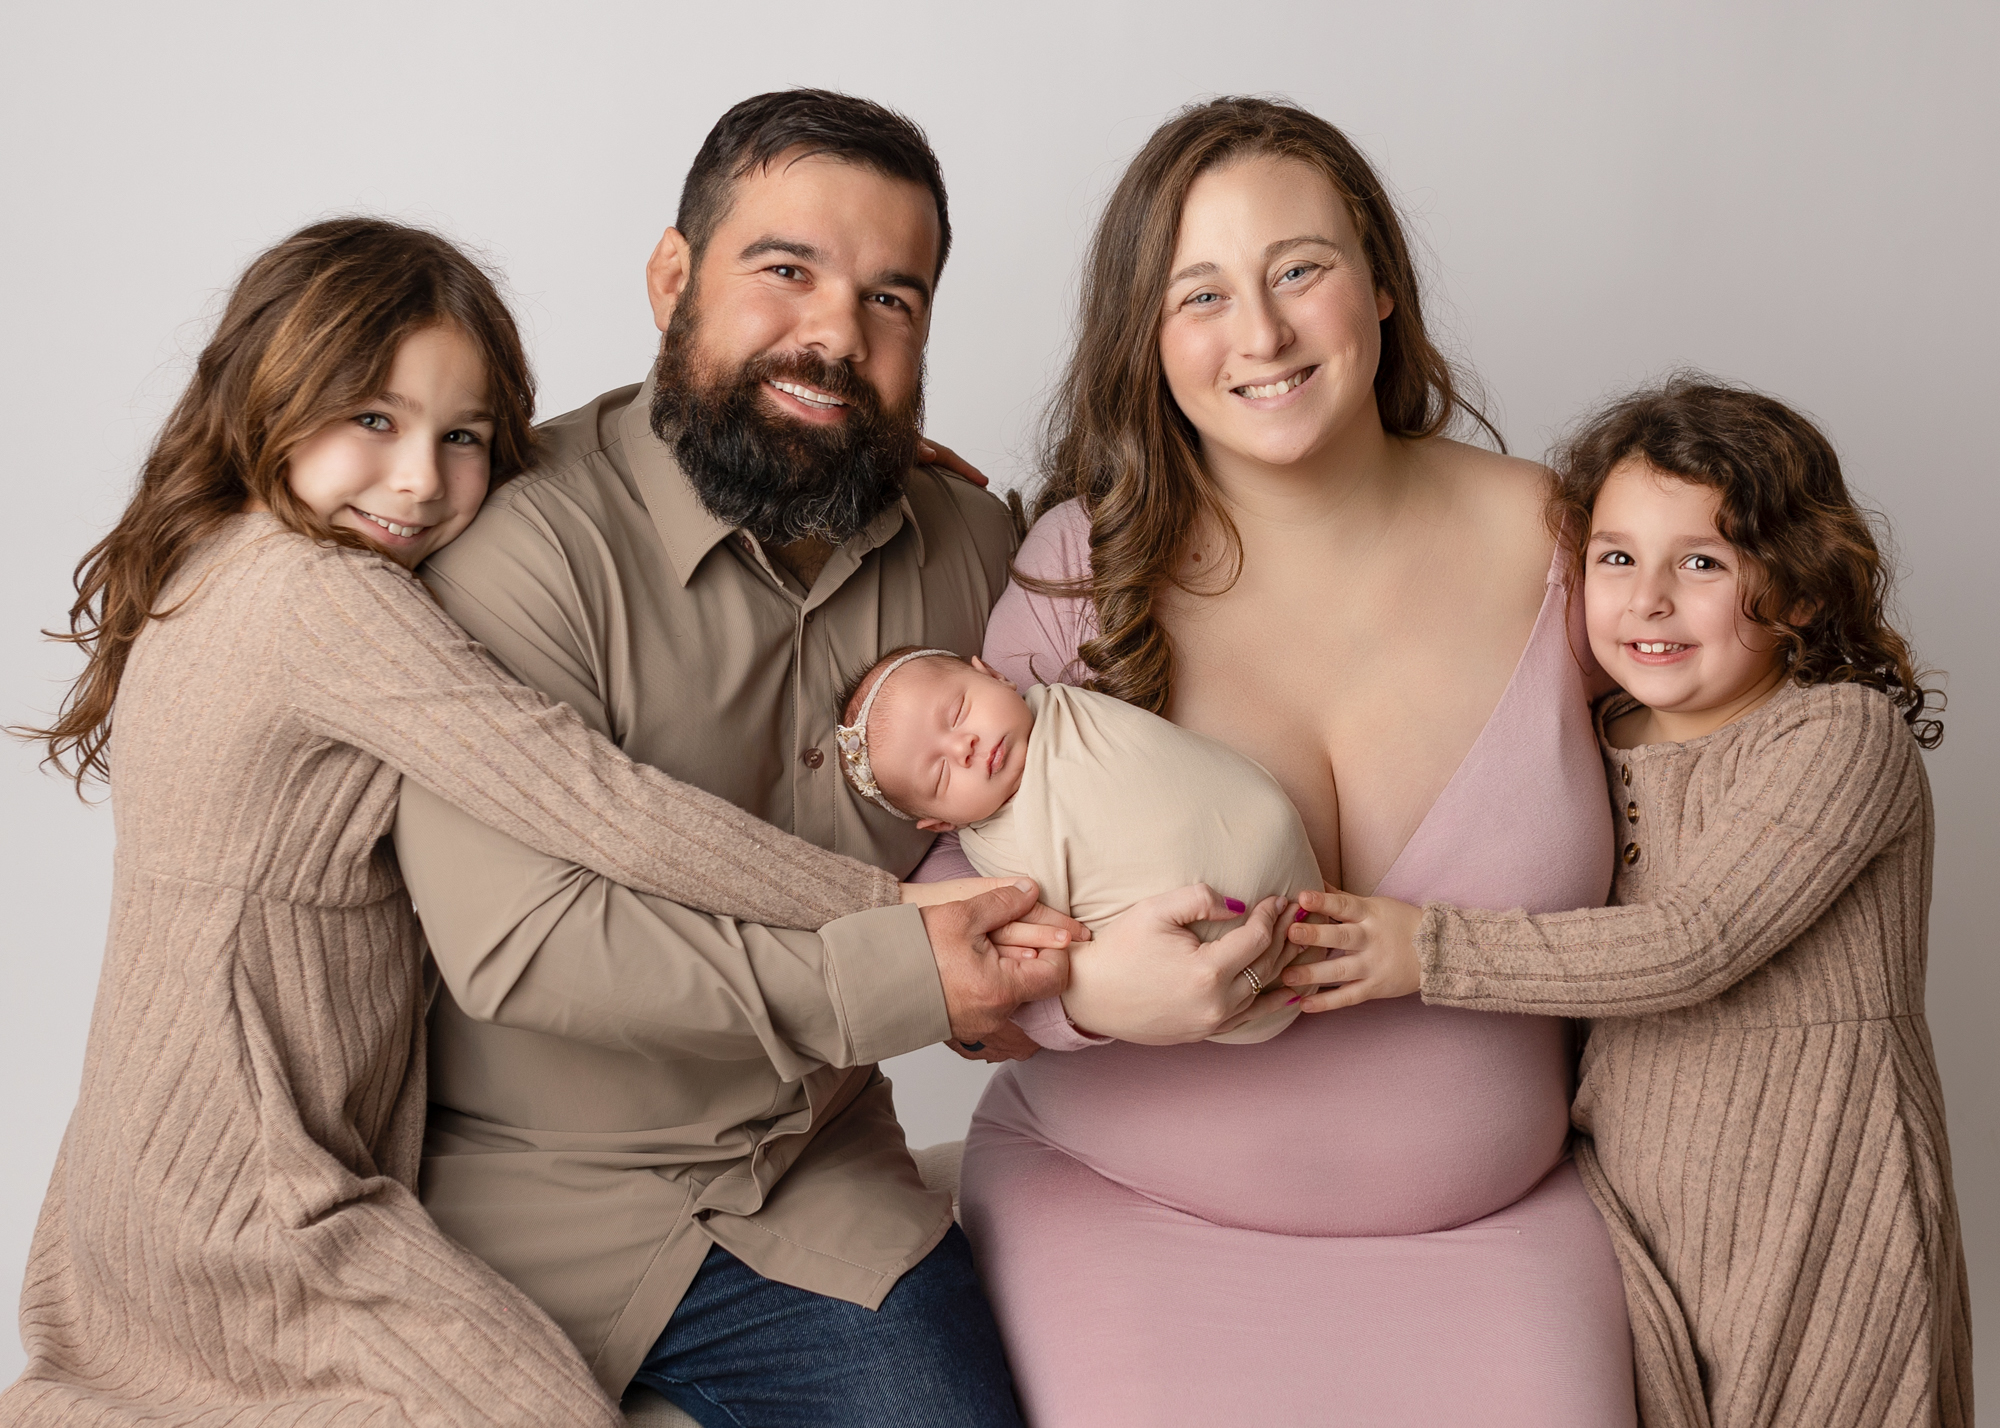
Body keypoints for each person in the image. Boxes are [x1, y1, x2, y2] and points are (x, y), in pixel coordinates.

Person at [3, 218, 996, 1425]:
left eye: (460, 435)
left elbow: (588, 485)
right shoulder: (319, 599)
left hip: (164, 1158)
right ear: (266, 396)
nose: (420, 477)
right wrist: (884, 907)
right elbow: (592, 801)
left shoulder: (233, 548)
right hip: (259, 1191)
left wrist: (822, 446)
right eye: (373, 419)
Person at [388, 89, 1281, 1428]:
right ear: (672, 278)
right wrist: (902, 971)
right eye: (786, 272)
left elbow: (1123, 720)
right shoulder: (526, 552)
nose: (835, 334)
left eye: (892, 300)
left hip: (810, 1193)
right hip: (523, 1201)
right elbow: (522, 945)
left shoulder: (973, 551)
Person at [944, 97, 1638, 1425]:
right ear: (1145, 338)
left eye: (1299, 270)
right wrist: (1091, 992)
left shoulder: (1565, 546)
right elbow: (944, 916)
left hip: (1492, 1236)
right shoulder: (1077, 573)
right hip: (1122, 1210)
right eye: (1198, 293)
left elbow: (1740, 771)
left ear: (1380, 283)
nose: (1258, 335)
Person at [1279, 377, 1972, 1427]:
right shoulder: (1592, 744)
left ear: (1797, 588)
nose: (1646, 598)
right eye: (1614, 558)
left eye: (1699, 561)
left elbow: (1694, 942)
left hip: (1826, 1212)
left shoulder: (1837, 738)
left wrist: (1427, 952)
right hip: (1632, 1213)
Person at [833, 645, 1310, 1042]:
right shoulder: (996, 858)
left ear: (995, 674)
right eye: (940, 773)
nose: (964, 747)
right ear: (941, 824)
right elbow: (1065, 941)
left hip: (1287, 842)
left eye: (958, 713)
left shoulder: (1067, 708)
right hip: (1208, 967)